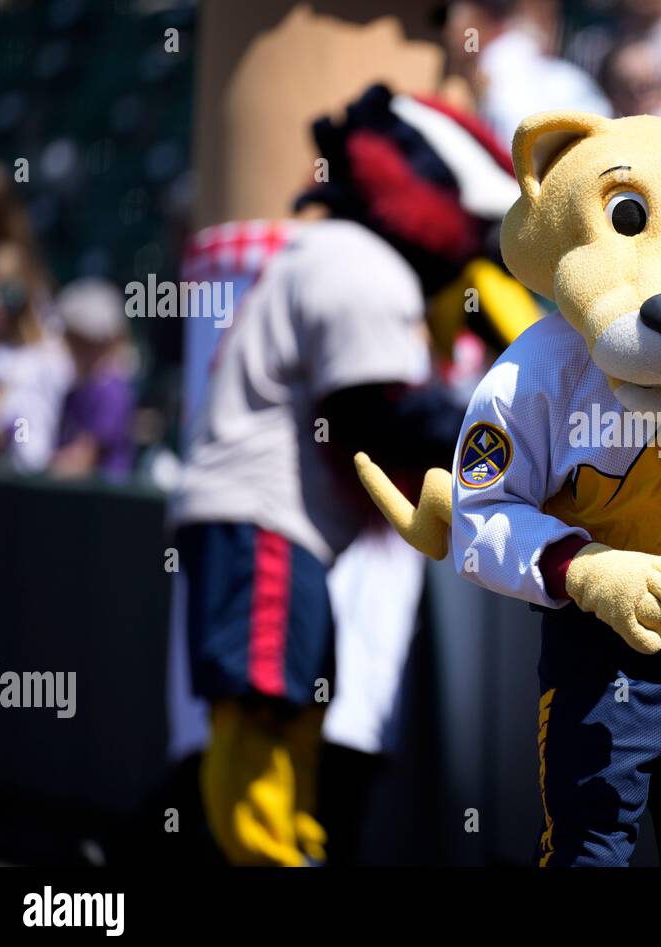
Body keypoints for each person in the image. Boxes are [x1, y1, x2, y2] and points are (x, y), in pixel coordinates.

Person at [170, 88, 532, 866]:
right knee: (262, 699)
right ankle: (262, 854)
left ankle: (286, 846)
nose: (473, 245)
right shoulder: (359, 262)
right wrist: (515, 423)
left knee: (292, 702)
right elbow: (378, 416)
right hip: (263, 517)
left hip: (281, 526)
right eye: (472, 227)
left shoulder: (348, 257)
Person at [443, 0, 612, 147]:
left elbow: (515, 134)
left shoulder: (502, 66)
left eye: (457, 26)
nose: (450, 36)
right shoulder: (508, 61)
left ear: (480, 23)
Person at [0, 241, 70, 471]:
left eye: (5, 295)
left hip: (15, 485)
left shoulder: (44, 360)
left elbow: (31, 449)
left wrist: (5, 423)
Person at [50, 278, 136, 480]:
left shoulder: (111, 393)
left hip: (104, 503)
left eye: (92, 342)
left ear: (113, 341)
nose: (84, 350)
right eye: (76, 340)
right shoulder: (73, 389)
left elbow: (84, 457)